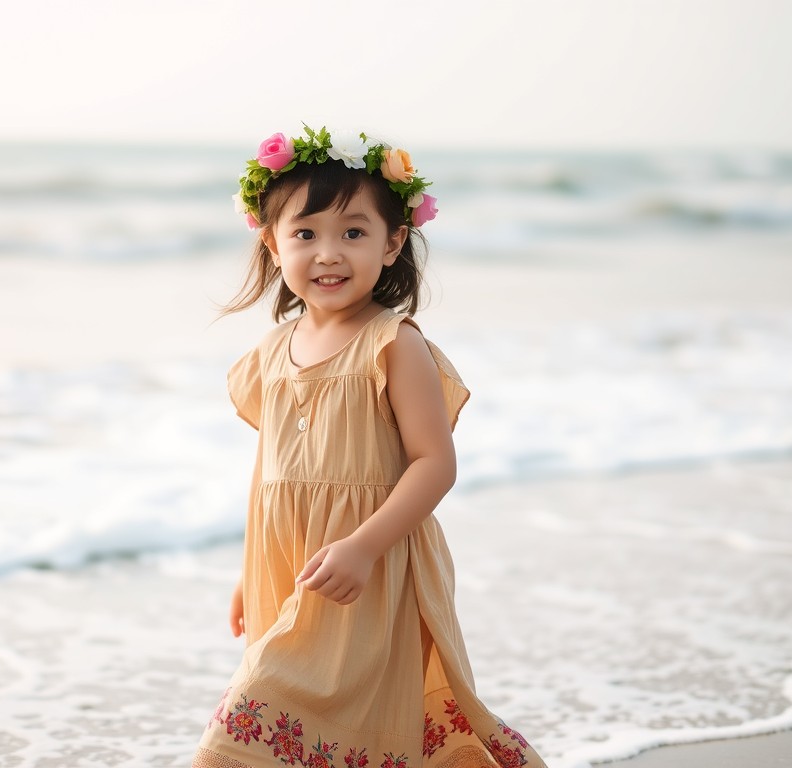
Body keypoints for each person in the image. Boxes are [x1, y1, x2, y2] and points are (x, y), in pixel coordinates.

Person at [194, 126, 545, 768]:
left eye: (353, 232)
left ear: (392, 244)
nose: (328, 253)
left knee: (257, 727)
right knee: (307, 720)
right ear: (272, 244)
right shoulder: (271, 353)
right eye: (305, 234)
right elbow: (269, 470)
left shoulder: (392, 343)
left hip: (373, 566)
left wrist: (362, 547)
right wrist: (248, 571)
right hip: (292, 563)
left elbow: (435, 464)